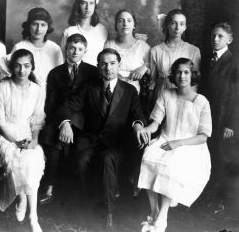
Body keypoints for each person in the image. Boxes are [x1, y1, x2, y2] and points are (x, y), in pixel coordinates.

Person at [56, 48, 148, 231]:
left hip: (116, 144)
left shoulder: (129, 91)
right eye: (104, 64)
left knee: (107, 160)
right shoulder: (88, 87)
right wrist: (65, 123)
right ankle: (87, 209)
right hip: (91, 141)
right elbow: (67, 106)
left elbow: (139, 115)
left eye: (113, 63)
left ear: (119, 65)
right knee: (81, 161)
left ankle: (108, 215)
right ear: (98, 66)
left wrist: (138, 124)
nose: (108, 68)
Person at [138, 58, 212, 232]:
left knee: (170, 166)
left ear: (192, 75)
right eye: (178, 72)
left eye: (186, 72)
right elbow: (156, 122)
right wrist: (146, 130)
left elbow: (203, 136)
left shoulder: (201, 101)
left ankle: (162, 218)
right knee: (149, 157)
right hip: (166, 138)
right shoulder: (166, 94)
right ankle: (154, 210)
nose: (182, 76)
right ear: (173, 75)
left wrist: (178, 143)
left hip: (190, 145)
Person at [39, 33, 100, 205]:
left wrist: (73, 121)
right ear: (66, 48)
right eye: (72, 48)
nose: (75, 52)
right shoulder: (55, 73)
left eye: (80, 49)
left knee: (77, 144)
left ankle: (73, 193)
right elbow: (50, 104)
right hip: (58, 117)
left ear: (85, 51)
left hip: (83, 120)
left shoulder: (92, 71)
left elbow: (94, 102)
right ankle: (50, 185)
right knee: (52, 137)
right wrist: (61, 122)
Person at [0, 49, 45, 232]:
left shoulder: (37, 90)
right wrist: (15, 141)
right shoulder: (3, 87)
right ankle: (21, 199)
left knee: (33, 161)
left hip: (27, 133)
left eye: (26, 66)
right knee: (15, 161)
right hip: (6, 134)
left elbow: (37, 119)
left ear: (32, 67)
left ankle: (34, 216)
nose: (22, 71)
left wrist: (34, 140)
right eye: (17, 65)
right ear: (11, 66)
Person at [201, 22, 239, 213]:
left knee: (222, 159)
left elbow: (237, 96)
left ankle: (220, 202)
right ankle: (208, 197)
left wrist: (231, 124)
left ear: (229, 40)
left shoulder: (234, 62)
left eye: (220, 36)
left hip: (225, 120)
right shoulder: (208, 59)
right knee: (208, 157)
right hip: (209, 117)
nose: (215, 39)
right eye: (213, 36)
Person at [149, 9, 201, 109]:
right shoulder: (156, 51)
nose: (177, 28)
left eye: (181, 24)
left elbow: (195, 83)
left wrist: (190, 105)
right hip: (161, 97)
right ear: (167, 25)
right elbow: (153, 82)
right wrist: (150, 105)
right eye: (173, 23)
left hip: (184, 99)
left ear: (185, 27)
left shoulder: (193, 51)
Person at [11, 7, 63, 88]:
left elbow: (60, 77)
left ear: (47, 27)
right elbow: (12, 76)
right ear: (29, 25)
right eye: (35, 24)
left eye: (43, 25)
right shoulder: (19, 47)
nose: (39, 29)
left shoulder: (55, 48)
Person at [104, 9, 150, 94]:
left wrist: (144, 67)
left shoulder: (143, 47)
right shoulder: (109, 45)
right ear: (116, 25)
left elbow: (152, 65)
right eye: (121, 21)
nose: (125, 24)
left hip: (133, 92)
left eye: (129, 20)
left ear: (134, 25)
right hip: (110, 90)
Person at [60, 0, 108, 66]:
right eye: (84, 3)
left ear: (95, 5)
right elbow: (61, 59)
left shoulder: (102, 30)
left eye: (91, 3)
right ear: (78, 5)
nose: (87, 7)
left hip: (96, 75)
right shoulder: (69, 31)